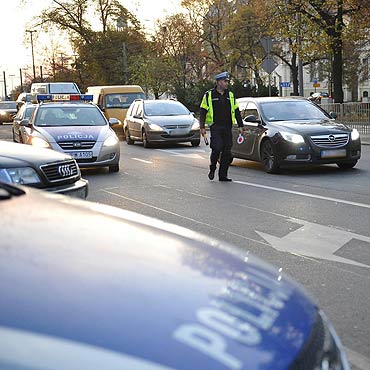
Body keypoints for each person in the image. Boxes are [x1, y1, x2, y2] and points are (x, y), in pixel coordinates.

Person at [200, 72, 244, 182]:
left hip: (227, 127)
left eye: (227, 81)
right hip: (216, 127)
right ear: (219, 82)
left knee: (227, 152)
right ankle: (212, 168)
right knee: (217, 148)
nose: (227, 83)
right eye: (225, 81)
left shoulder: (230, 95)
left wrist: (240, 125)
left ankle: (223, 175)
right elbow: (203, 111)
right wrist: (202, 127)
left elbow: (236, 110)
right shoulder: (209, 95)